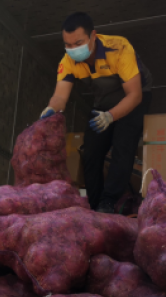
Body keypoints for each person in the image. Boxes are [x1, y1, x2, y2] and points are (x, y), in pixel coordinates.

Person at [41, 13, 153, 213]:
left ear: (93, 35)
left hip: (134, 96)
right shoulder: (67, 61)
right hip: (104, 100)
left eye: (78, 43)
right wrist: (50, 109)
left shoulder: (119, 48)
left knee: (123, 145)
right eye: (68, 45)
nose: (73, 49)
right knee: (91, 150)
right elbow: (60, 96)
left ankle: (109, 201)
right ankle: (94, 205)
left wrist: (110, 116)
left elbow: (134, 95)